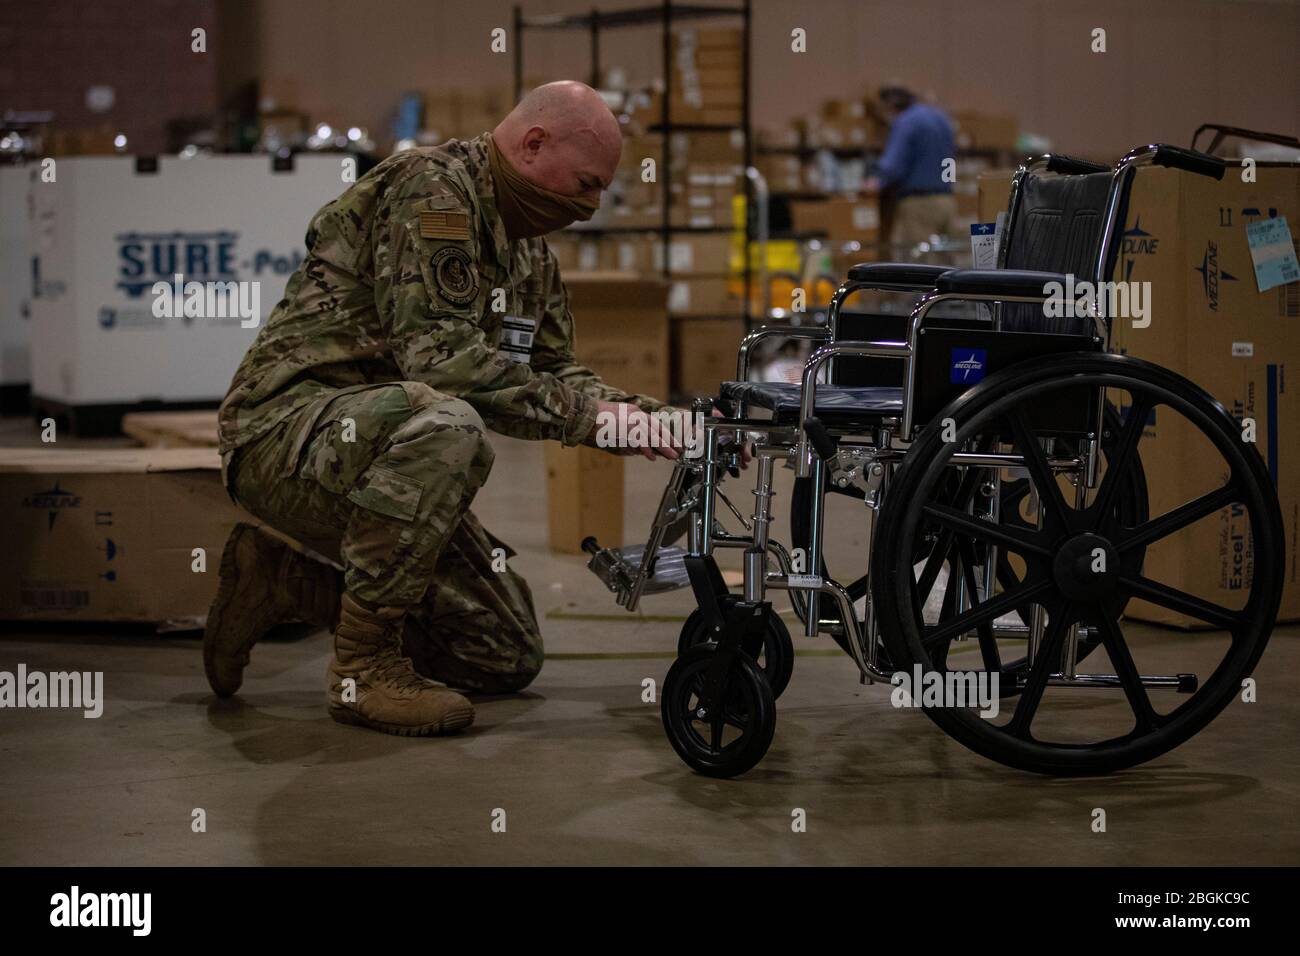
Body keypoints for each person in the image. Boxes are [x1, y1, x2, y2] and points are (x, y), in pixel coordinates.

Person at [204, 81, 681, 737]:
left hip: (385, 449)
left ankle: (283, 581)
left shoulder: (527, 249)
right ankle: (362, 671)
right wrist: (593, 419)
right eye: (585, 182)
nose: (590, 205)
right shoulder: (434, 192)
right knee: (452, 426)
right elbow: (444, 361)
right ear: (534, 143)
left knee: (502, 652)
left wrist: (664, 421)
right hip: (286, 435)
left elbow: (551, 371)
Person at [864, 85, 958, 250]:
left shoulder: (906, 121)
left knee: (919, 264)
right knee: (946, 262)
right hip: (947, 199)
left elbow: (893, 165)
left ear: (890, 106)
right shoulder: (941, 118)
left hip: (920, 204)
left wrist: (876, 181)